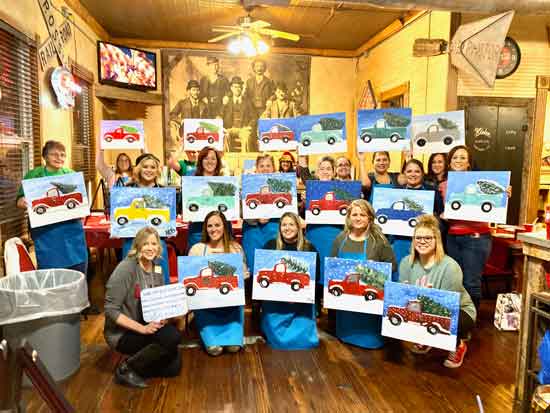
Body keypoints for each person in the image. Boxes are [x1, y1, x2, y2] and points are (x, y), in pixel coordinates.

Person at [104, 227, 182, 388]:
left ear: (159, 247)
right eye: (145, 244)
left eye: (154, 243)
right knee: (172, 337)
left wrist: (171, 313)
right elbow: (111, 310)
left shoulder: (157, 268)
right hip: (123, 333)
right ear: (137, 246)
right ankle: (126, 369)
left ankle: (141, 363)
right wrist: (142, 329)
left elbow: (159, 302)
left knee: (175, 367)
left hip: (146, 322)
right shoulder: (126, 268)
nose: (150, 248)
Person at [399, 214, 476, 368]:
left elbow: (447, 307)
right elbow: (404, 297)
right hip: (421, 307)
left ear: (437, 240)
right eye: (418, 238)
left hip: (457, 310)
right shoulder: (406, 263)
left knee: (449, 320)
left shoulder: (450, 266)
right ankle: (428, 339)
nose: (422, 241)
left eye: (428, 238)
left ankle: (458, 345)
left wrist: (427, 296)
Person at [16, 140, 88, 276]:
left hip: (71, 232)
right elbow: (19, 201)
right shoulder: (34, 175)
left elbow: (81, 201)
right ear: (45, 156)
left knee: (76, 272)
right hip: (46, 235)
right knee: (51, 275)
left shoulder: (70, 174)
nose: (59, 158)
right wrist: (23, 202)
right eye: (54, 154)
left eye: (62, 155)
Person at [330, 199, 396, 348]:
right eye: (354, 214)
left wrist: (377, 270)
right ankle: (346, 334)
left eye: (362, 215)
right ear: (348, 217)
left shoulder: (379, 241)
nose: (358, 218)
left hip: (370, 303)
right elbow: (332, 266)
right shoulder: (340, 239)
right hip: (347, 296)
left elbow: (392, 267)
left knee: (370, 335)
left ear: (370, 218)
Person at [438, 145, 497, 311]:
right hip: (453, 237)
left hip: (476, 237)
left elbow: (494, 199)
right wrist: (444, 215)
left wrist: (503, 193)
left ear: (469, 163)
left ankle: (469, 322)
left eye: (463, 157)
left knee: (471, 282)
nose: (458, 160)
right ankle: (457, 318)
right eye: (455, 157)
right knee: (455, 279)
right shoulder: (444, 185)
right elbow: (447, 210)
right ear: (449, 162)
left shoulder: (480, 182)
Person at [188, 211, 246, 356]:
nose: (214, 229)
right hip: (207, 309)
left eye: (217, 225)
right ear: (205, 228)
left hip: (231, 307)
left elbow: (243, 273)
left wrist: (241, 276)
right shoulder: (197, 249)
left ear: (225, 227)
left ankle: (233, 332)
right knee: (215, 350)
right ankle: (208, 332)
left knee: (233, 348)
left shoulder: (235, 248)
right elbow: (189, 276)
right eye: (210, 226)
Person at [261, 212, 319, 349]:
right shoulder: (270, 245)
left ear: (298, 227)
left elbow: (315, 277)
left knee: (304, 340)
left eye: (291, 224)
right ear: (279, 227)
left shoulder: (309, 247)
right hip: (276, 300)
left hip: (300, 301)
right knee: (277, 340)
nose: (287, 228)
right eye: (284, 225)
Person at [123, 153, 171, 283]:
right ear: (139, 169)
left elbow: (169, 220)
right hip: (132, 243)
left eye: (152, 167)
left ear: (157, 171)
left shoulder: (164, 191)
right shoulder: (127, 190)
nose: (149, 170)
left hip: (157, 243)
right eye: (145, 167)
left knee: (159, 278)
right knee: (133, 281)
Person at [391, 158, 445, 274]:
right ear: (404, 173)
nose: (413, 174)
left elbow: (441, 217)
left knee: (422, 274)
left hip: (424, 241)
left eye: (417, 171)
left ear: (422, 173)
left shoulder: (432, 192)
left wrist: (435, 219)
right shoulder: (396, 192)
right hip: (401, 241)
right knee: (401, 273)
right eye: (409, 171)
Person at [305, 156, 343, 313]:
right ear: (317, 171)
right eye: (322, 168)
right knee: (315, 269)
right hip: (315, 234)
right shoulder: (311, 189)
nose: (325, 171)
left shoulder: (342, 190)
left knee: (333, 271)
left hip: (336, 234)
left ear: (334, 171)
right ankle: (314, 311)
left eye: (329, 168)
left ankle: (334, 313)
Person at [186, 146, 224, 251]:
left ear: (217, 162)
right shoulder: (191, 179)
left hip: (220, 231)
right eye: (206, 158)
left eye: (213, 158)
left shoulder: (224, 181)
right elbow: (186, 205)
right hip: (198, 231)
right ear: (201, 161)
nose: (209, 161)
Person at [221, 76, 256, 152]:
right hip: (230, 129)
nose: (237, 89)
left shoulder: (248, 102)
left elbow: (254, 118)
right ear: (231, 88)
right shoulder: (226, 102)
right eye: (235, 87)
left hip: (243, 129)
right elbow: (220, 116)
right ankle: (225, 160)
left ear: (242, 88)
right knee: (224, 136)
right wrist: (222, 128)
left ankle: (246, 161)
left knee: (246, 137)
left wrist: (249, 127)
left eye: (239, 87)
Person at [169, 80, 208, 147]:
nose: (196, 92)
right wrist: (181, 120)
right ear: (189, 91)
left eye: (197, 90)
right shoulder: (182, 103)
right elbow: (172, 115)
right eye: (193, 90)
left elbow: (208, 119)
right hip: (186, 131)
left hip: (200, 133)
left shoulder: (204, 105)